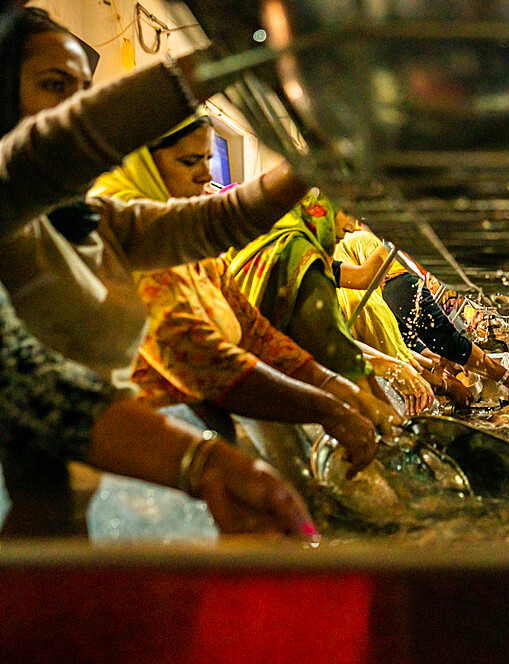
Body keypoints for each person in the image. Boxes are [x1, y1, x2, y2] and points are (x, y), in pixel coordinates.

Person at [0, 7, 316, 537]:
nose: (73, 106)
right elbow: (59, 145)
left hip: (94, 494)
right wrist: (247, 52)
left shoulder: (92, 220)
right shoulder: (9, 201)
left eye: (84, 88)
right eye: (54, 85)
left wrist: (318, 161)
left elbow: (224, 219)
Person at [88, 118, 401, 446]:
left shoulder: (196, 250)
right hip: (144, 449)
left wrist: (338, 388)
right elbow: (203, 358)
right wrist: (330, 407)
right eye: (189, 161)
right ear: (143, 165)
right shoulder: (124, 244)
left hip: (204, 429)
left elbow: (254, 332)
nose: (206, 174)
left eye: (208, 159)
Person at [224, 193, 438, 414]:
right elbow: (329, 349)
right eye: (345, 212)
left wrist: (392, 368)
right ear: (319, 208)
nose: (350, 225)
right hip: (251, 383)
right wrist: (389, 375)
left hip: (263, 375)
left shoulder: (305, 253)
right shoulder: (299, 256)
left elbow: (339, 334)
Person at [364, 230, 509, 393]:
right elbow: (444, 339)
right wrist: (506, 378)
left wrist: (445, 360)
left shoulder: (395, 286)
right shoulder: (401, 280)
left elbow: (410, 344)